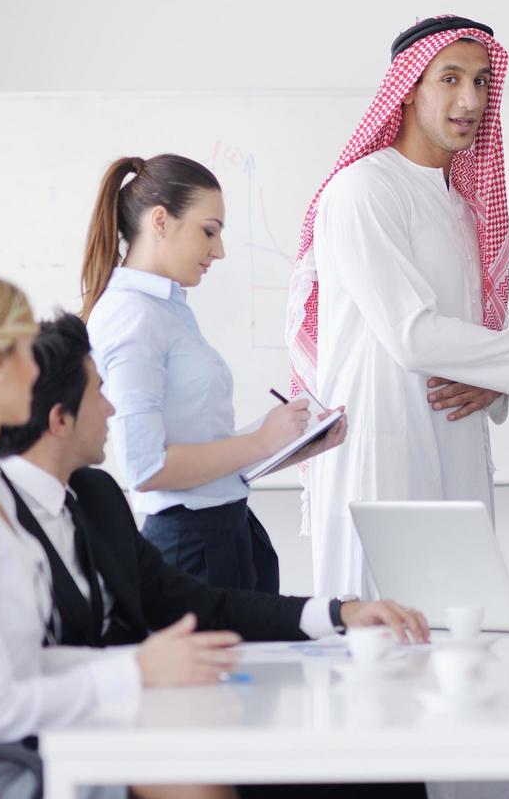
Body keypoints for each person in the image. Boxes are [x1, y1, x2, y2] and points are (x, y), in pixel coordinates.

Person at [0, 311, 431, 799]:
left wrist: (337, 614)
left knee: (384, 763)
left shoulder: (95, 496)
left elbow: (201, 604)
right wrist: (136, 671)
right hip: (68, 751)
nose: (112, 409)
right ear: (59, 420)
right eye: (98, 395)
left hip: (155, 725)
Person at [0, 264, 242, 799]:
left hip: (6, 749)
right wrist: (136, 671)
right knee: (191, 798)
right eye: (24, 350)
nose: (34, 368)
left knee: (198, 784)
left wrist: (146, 660)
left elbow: (23, 663)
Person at [286, 15, 509, 600]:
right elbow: (413, 336)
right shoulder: (364, 190)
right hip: (381, 455)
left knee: (463, 643)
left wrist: (493, 382)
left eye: (480, 81)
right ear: (407, 89)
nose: (469, 99)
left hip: (457, 450)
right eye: (449, 78)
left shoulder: (460, 204)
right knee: (379, 655)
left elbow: (465, 335)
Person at [82, 153, 347, 591]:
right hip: (193, 550)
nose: (218, 251)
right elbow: (145, 467)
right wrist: (261, 440)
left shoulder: (164, 308)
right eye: (209, 231)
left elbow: (196, 449)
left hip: (226, 534)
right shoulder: (132, 316)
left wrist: (285, 447)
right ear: (160, 221)